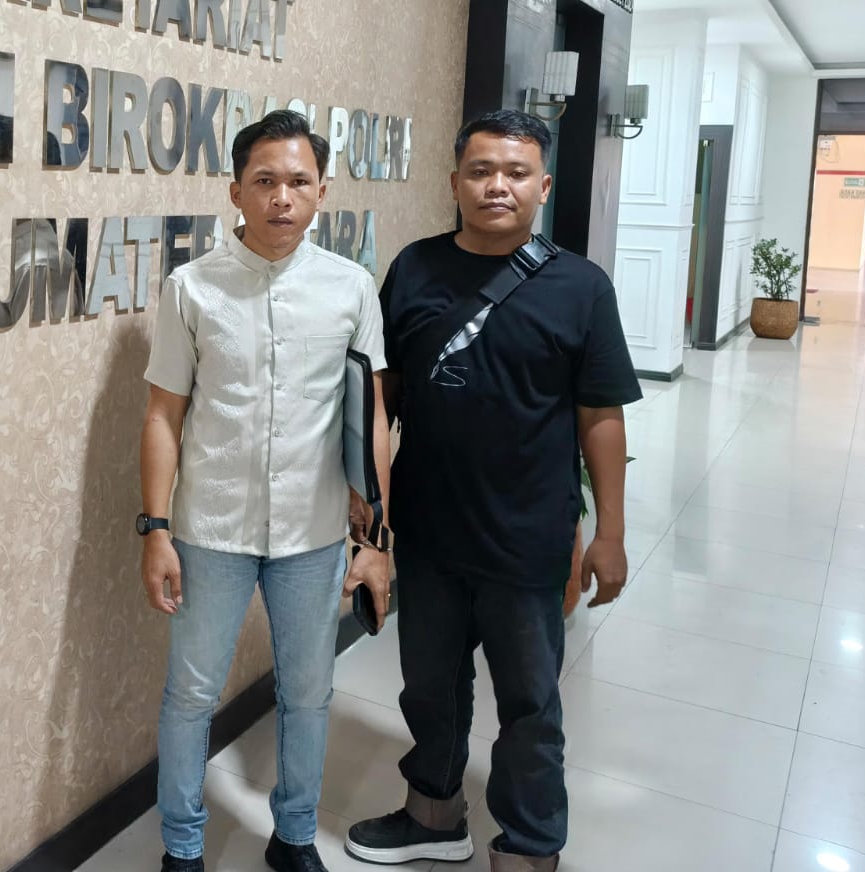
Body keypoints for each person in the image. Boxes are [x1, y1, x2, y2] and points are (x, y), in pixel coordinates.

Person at [344, 109, 640, 872]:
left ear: (543, 186)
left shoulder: (581, 287)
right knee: (429, 689)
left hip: (529, 537)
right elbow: (383, 399)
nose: (497, 186)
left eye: (515, 172)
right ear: (455, 182)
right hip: (430, 529)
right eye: (480, 171)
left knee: (529, 706)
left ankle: (532, 847)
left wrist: (609, 532)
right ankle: (434, 814)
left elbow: (600, 416)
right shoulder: (414, 269)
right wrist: (371, 519)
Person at [138, 109, 392, 872]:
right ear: (236, 191)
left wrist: (377, 536)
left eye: (299, 182)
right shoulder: (191, 288)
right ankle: (182, 847)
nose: (283, 197)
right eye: (266, 181)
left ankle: (294, 836)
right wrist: (155, 529)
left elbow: (371, 418)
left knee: (308, 694)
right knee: (191, 695)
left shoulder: (351, 288)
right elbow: (162, 415)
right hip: (209, 529)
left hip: (313, 532)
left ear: (322, 192)